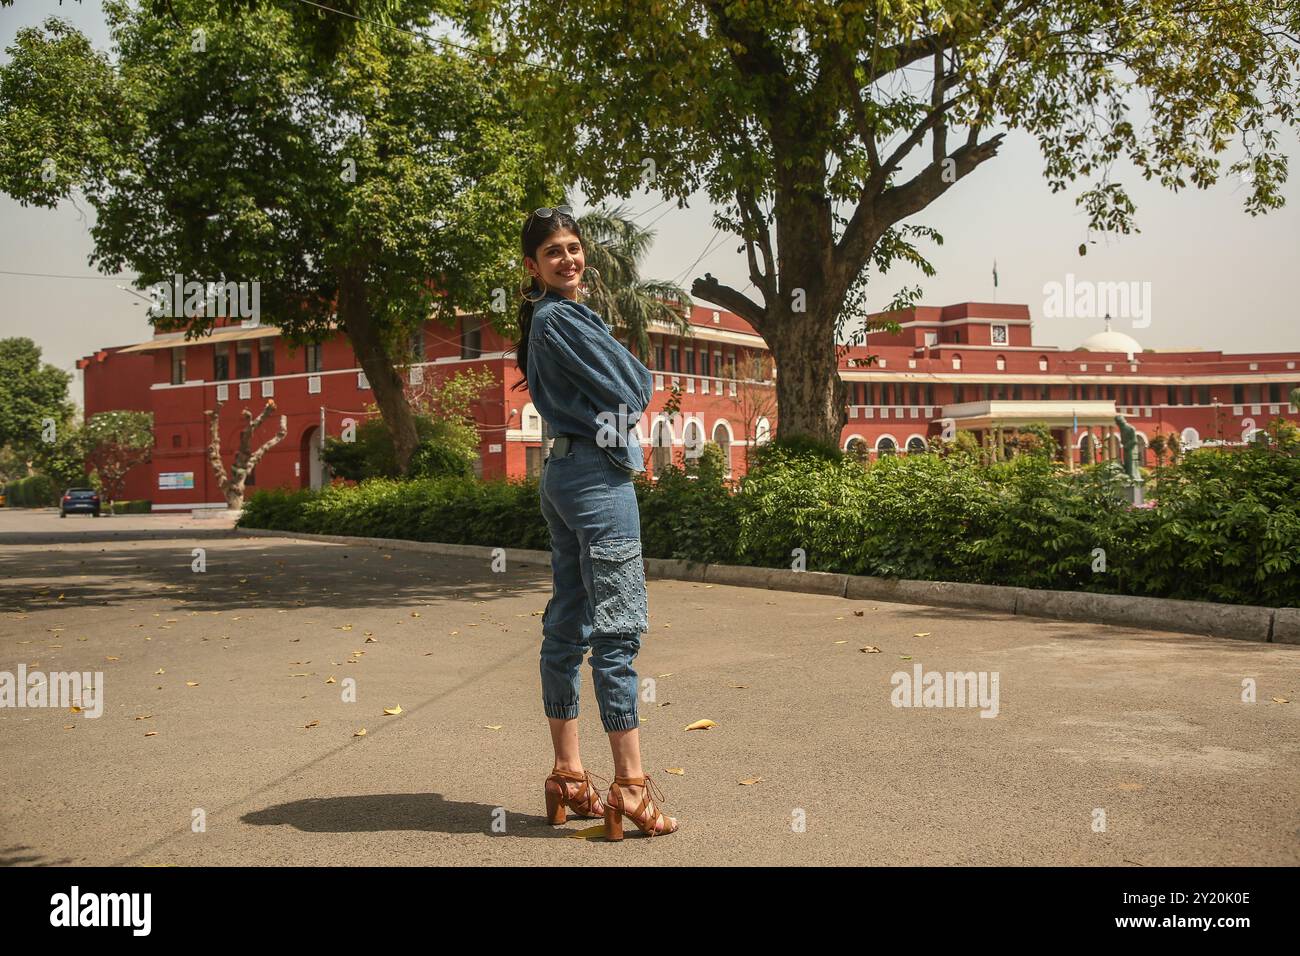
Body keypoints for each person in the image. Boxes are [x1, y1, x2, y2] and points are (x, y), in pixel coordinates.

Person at [510, 205, 679, 839]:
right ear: (533, 266)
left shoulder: (551, 318)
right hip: (596, 479)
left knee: (569, 620)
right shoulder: (563, 320)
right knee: (619, 628)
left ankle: (567, 774)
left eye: (574, 247)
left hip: (561, 472)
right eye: (553, 252)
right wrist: (631, 372)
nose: (569, 259)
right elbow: (636, 389)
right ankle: (630, 788)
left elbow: (622, 387)